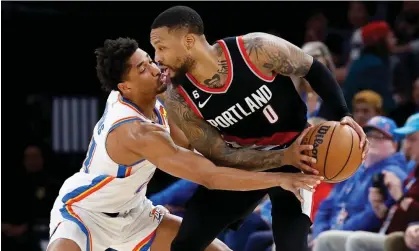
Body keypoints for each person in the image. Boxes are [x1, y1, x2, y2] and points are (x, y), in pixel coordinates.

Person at [46, 38, 322, 251]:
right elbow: (209, 176)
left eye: (150, 61)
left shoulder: (156, 101)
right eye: (143, 69)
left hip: (135, 213)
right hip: (84, 213)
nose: (155, 69)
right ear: (125, 87)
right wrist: (280, 177)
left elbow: (196, 147)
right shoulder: (136, 131)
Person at [150, 5, 368, 251]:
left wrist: (344, 115)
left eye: (162, 47)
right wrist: (281, 156)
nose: (157, 57)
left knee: (292, 245)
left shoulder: (254, 50)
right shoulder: (178, 97)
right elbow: (219, 153)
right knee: (186, 242)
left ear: (188, 41)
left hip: (298, 156)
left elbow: (312, 68)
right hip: (245, 163)